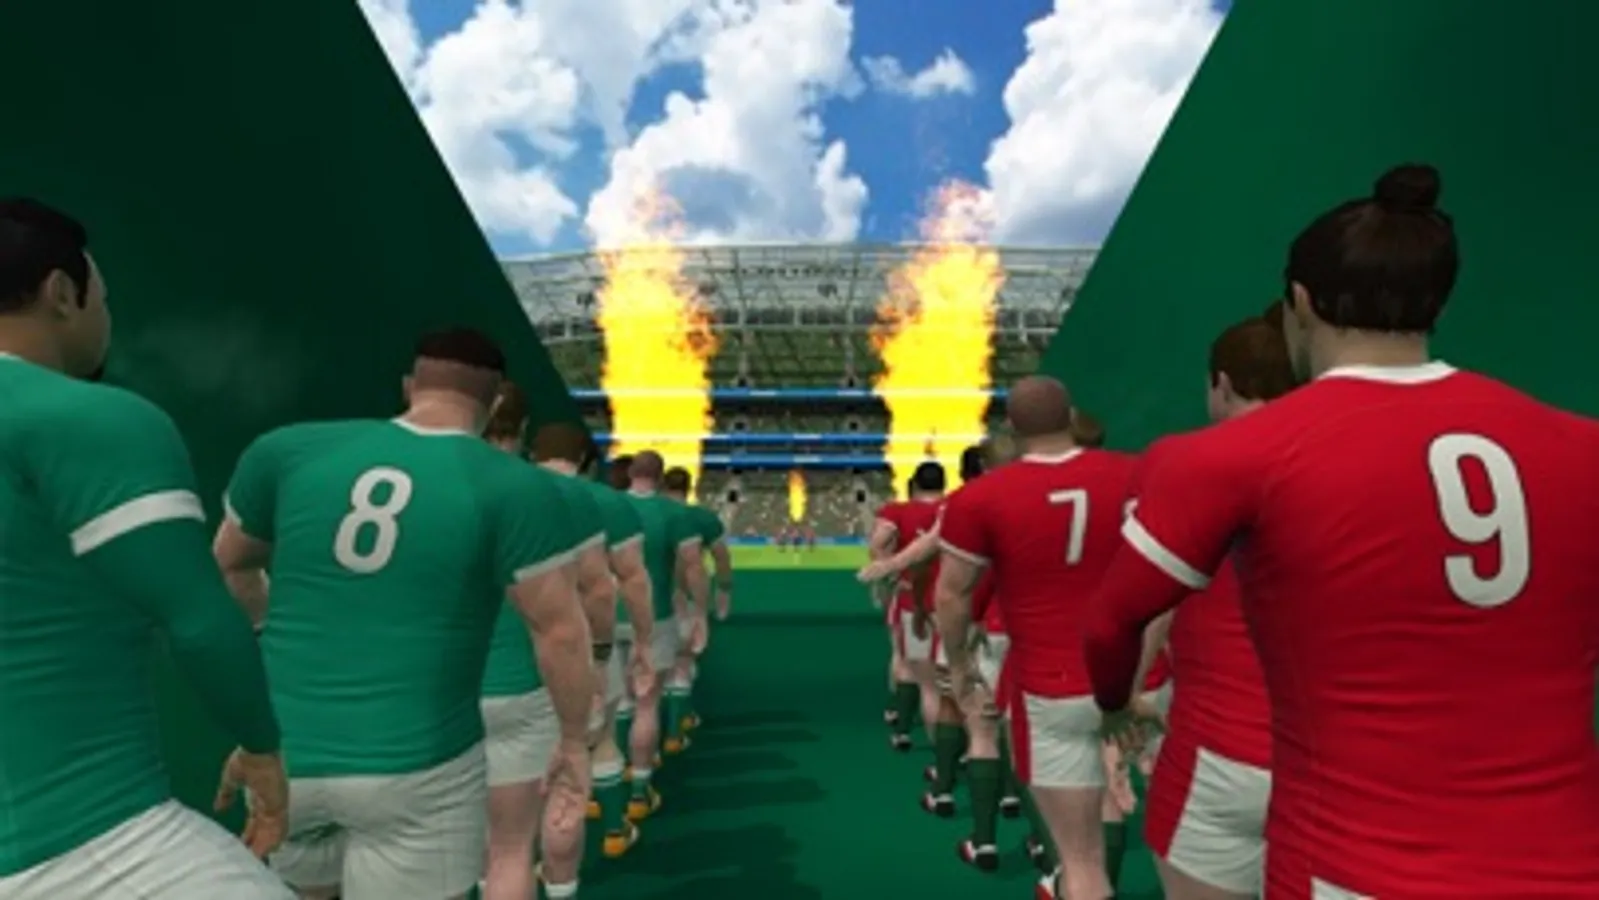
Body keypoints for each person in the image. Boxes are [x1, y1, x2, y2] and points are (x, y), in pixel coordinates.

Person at [1084, 164, 1599, 898]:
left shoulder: (1235, 456)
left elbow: (1112, 623)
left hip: (1352, 866)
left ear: (1300, 302)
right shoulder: (1581, 445)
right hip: (1568, 865)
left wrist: (1114, 704)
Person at [212, 329, 594, 900]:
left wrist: (269, 631)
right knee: (505, 852)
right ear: (493, 403)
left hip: (291, 752)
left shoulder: (286, 450)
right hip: (420, 766)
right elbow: (558, 629)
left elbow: (229, 566)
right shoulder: (513, 485)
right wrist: (574, 739)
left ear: (408, 387)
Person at [0, 199, 290, 898]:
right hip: (83, 839)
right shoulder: (81, 417)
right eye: (103, 298)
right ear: (61, 293)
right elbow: (199, 620)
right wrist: (261, 747)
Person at [932, 375, 1140, 900]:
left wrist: (959, 667)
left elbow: (952, 594)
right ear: (1070, 416)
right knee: (1114, 800)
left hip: (1053, 683)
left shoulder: (982, 497)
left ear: (1011, 428)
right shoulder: (1135, 474)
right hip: (1134, 674)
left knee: (1079, 862)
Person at [1122, 314, 1295, 900]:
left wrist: (1127, 698)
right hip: (1345, 763)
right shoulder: (1361, 460)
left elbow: (1148, 600)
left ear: (1221, 384)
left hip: (1224, 749)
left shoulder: (1181, 461)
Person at [475, 384, 610, 900]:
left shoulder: (424, 482)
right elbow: (595, 594)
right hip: (521, 684)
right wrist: (599, 662)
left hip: (436, 689)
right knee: (513, 848)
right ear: (524, 431)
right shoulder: (561, 494)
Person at [530, 425, 656, 861]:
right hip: (579, 646)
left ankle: (515, 869)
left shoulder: (501, 491)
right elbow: (617, 584)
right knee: (598, 739)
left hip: (508, 656)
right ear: (586, 461)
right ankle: (613, 829)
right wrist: (622, 648)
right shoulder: (604, 502)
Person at [616, 450, 709, 819]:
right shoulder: (673, 513)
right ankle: (639, 791)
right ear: (659, 477)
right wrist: (699, 613)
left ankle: (607, 781)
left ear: (630, 473)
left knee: (614, 703)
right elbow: (693, 567)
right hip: (655, 616)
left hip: (608, 616)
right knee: (646, 703)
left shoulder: (606, 506)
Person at [863, 464, 951, 765]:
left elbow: (878, 543)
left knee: (912, 668)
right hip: (957, 598)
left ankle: (903, 726)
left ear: (914, 485)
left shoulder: (898, 511)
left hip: (914, 597)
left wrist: (888, 569)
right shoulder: (954, 508)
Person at [661, 466, 734, 735]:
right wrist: (723, 590)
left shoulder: (644, 512)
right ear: (689, 487)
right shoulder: (702, 517)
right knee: (683, 662)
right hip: (686, 597)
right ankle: (676, 728)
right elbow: (721, 558)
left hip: (648, 596)